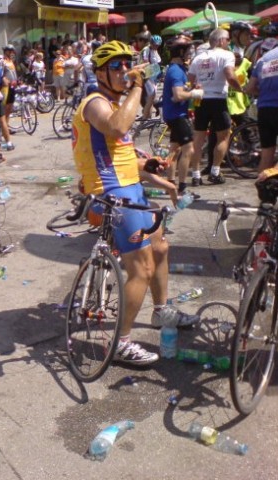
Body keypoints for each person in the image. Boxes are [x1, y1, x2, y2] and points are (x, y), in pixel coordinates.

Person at [71, 41, 200, 366]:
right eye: (116, 66)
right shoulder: (95, 103)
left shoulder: (113, 104)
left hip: (131, 192)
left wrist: (153, 170)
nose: (124, 71)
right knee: (140, 269)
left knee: (161, 249)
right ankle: (121, 343)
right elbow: (117, 127)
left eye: (127, 65)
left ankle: (161, 312)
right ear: (99, 72)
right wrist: (138, 88)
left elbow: (122, 158)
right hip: (111, 198)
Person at [188, 28, 243, 185]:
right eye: (227, 39)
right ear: (220, 40)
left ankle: (196, 175)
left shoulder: (198, 58)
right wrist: (241, 89)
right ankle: (215, 172)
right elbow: (230, 75)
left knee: (198, 139)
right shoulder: (227, 55)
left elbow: (190, 78)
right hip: (218, 99)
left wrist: (197, 86)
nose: (229, 42)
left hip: (201, 100)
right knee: (223, 136)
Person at [162, 36, 203, 194]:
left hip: (173, 114)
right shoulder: (176, 71)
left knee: (174, 149)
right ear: (180, 52)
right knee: (189, 150)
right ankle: (182, 187)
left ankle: (170, 183)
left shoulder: (178, 69)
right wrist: (195, 93)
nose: (189, 53)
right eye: (187, 50)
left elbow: (180, 92)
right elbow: (178, 95)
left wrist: (191, 88)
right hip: (177, 115)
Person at [245, 31, 278, 175]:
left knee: (266, 155)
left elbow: (250, 88)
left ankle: (265, 193)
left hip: (265, 109)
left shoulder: (264, 59)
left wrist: (266, 92)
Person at [137, 34, 163, 119]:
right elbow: (145, 62)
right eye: (155, 45)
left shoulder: (155, 51)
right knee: (151, 95)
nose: (156, 47)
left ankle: (148, 115)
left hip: (154, 76)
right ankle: (145, 115)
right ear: (151, 43)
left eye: (158, 45)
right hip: (147, 75)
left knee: (151, 97)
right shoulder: (146, 50)